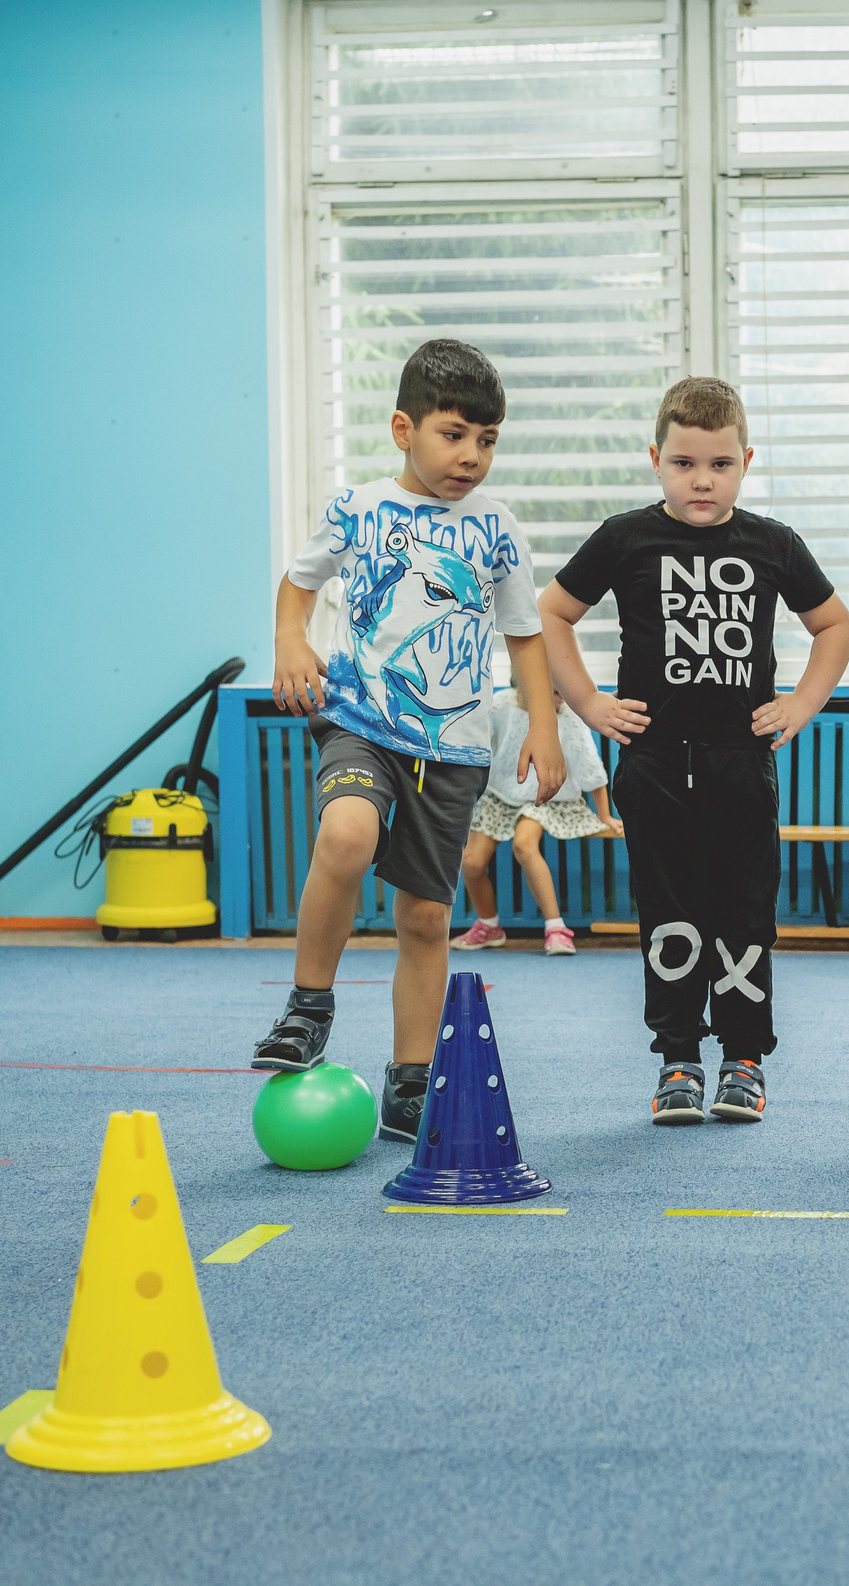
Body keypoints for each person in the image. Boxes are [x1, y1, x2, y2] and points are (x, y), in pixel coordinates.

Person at [251, 339, 565, 1150]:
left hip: (455, 746)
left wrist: (542, 724)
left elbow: (525, 636)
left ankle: (410, 1079)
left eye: (487, 440)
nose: (470, 456)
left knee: (426, 916)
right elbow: (299, 579)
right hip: (359, 718)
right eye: (453, 434)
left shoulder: (496, 528)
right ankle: (308, 1006)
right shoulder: (357, 508)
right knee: (346, 835)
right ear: (404, 428)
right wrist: (290, 638)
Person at [537, 377, 849, 1126]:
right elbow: (552, 611)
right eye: (684, 463)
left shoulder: (773, 544)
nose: (702, 480)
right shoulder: (625, 538)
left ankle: (743, 1059)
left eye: (718, 464)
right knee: (669, 913)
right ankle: (678, 1055)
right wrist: (587, 702)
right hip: (652, 764)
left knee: (744, 912)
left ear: (745, 461)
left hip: (740, 762)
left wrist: (803, 702)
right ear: (656, 459)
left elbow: (834, 626)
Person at [452, 690, 620, 956]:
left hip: (548, 796)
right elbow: (480, 745)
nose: (562, 696)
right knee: (471, 860)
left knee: (524, 844)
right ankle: (489, 925)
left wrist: (604, 814)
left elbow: (590, 767)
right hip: (502, 794)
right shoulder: (501, 706)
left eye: (564, 691)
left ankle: (556, 929)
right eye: (553, 689)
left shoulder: (568, 718)